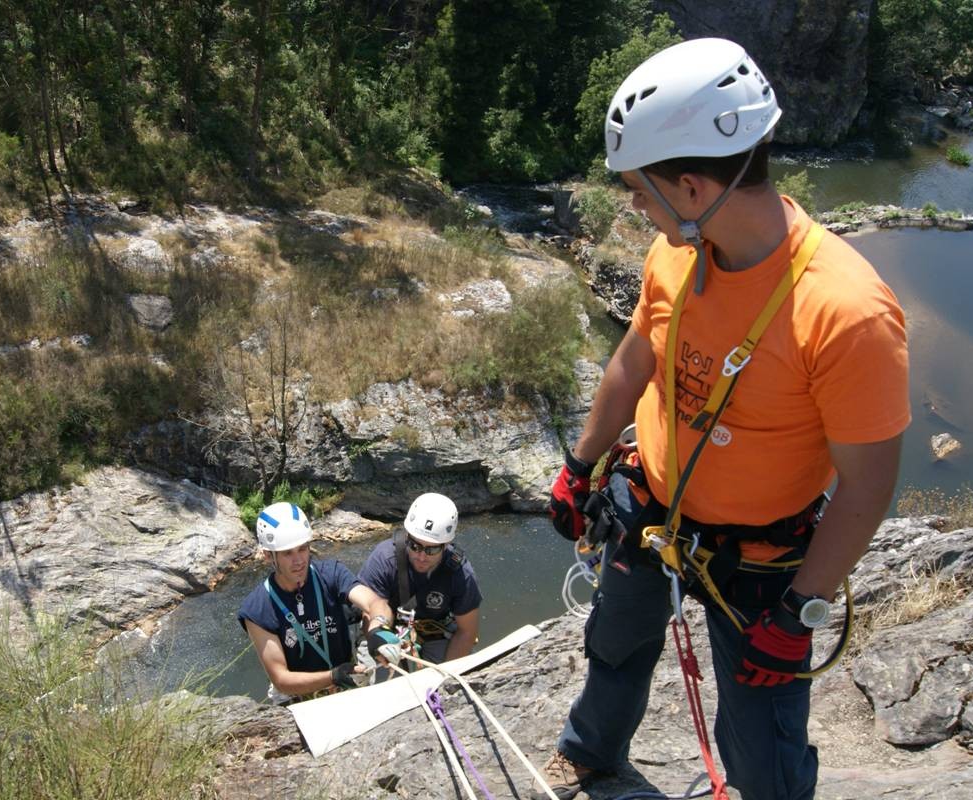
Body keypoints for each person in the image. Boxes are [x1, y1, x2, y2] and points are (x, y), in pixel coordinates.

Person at [538, 37, 910, 800]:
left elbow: (867, 488)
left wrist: (801, 610)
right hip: (650, 510)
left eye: (639, 189)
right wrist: (580, 467)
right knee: (613, 648)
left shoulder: (844, 313)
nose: (633, 205)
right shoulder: (675, 250)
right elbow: (633, 362)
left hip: (762, 563)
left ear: (693, 185)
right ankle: (590, 753)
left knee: (762, 748)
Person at [237, 501, 393, 704]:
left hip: (345, 678)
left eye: (303, 549)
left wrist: (377, 630)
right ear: (268, 556)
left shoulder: (331, 574)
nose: (299, 560)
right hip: (298, 695)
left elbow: (374, 602)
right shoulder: (257, 609)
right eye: (287, 553)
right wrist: (332, 676)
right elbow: (281, 679)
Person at [357, 493, 483, 666]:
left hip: (435, 631)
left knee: (458, 675)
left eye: (431, 550)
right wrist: (379, 638)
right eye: (415, 546)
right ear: (407, 537)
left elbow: (466, 632)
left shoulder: (460, 573)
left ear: (446, 545)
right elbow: (369, 609)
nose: (421, 556)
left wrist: (446, 678)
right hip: (386, 627)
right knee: (373, 670)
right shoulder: (384, 558)